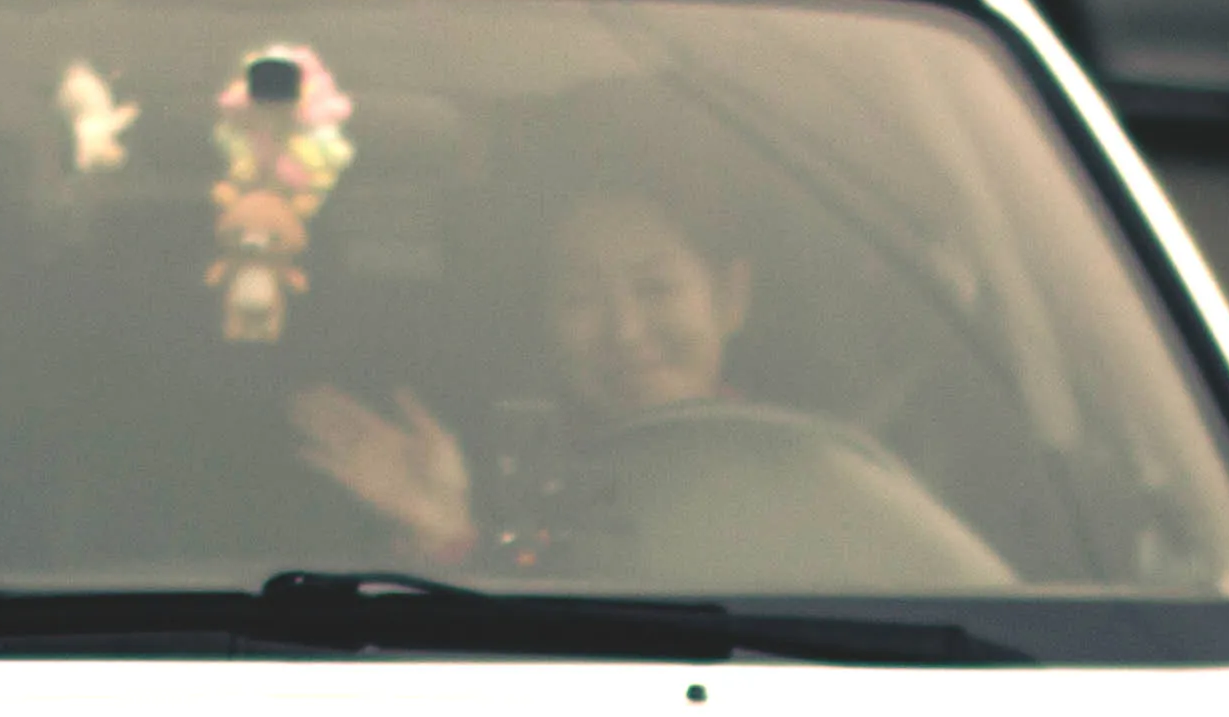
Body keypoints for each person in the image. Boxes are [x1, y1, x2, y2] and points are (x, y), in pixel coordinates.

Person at [285, 178, 1006, 589]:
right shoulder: (520, 484)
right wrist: (443, 530)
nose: (625, 332)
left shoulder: (833, 472)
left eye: (656, 288)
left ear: (731, 297)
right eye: (580, 300)